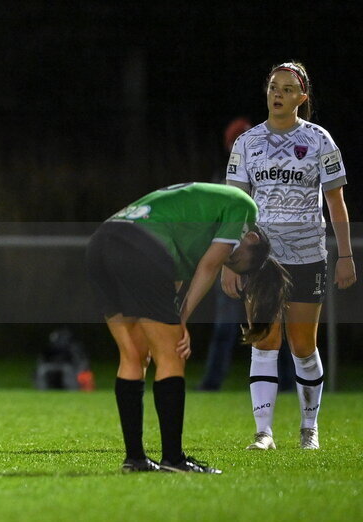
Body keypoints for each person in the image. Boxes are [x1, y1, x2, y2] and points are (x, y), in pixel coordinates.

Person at [86, 182, 289, 474]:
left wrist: (174, 313)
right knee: (172, 355)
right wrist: (181, 320)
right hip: (142, 246)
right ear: (252, 237)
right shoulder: (245, 207)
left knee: (134, 355)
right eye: (236, 259)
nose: (229, 260)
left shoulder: (193, 230)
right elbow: (208, 266)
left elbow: (173, 281)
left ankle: (136, 459)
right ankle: (174, 460)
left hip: (102, 242)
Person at [224, 61, 355, 451]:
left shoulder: (319, 140)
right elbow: (235, 204)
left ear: (301, 98)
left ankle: (308, 428)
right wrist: (232, 260)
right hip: (262, 259)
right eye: (272, 87)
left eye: (286, 88)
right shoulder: (247, 143)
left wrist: (345, 254)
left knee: (302, 345)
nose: (277, 94)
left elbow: (336, 203)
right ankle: (263, 433)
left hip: (307, 255)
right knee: (264, 339)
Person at [199, 118, 297, 391]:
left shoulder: (273, 174)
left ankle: (288, 383)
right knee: (225, 327)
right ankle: (212, 383)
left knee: (274, 324)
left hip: (265, 261)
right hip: (233, 262)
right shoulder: (223, 179)